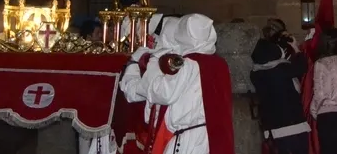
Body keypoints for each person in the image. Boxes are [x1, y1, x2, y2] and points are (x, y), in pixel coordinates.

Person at [120, 13, 234, 154]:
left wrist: (152, 62)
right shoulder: (220, 63)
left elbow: (163, 93)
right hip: (210, 136)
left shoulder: (189, 63)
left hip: (189, 140)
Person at [251, 19, 309, 154]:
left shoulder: (256, 74)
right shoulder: (281, 69)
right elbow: (302, 67)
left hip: (273, 127)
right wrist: (296, 48)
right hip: (292, 124)